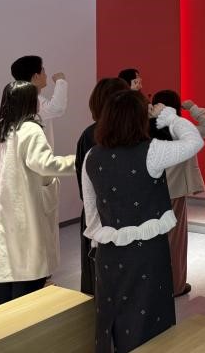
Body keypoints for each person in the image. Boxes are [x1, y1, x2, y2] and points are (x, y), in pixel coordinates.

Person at [82, 90, 203, 353]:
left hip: (108, 252)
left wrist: (98, 243)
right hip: (148, 253)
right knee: (149, 316)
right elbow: (194, 140)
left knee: (111, 316)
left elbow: (91, 210)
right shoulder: (152, 152)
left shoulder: (92, 156)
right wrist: (167, 115)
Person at [0, 81, 76, 304]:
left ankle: (6, 322)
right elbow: (45, 164)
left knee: (9, 272)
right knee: (29, 275)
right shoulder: (30, 129)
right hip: (27, 211)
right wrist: (79, 160)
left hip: (5, 212)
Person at [151, 89, 205, 298]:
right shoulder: (181, 129)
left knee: (154, 240)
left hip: (151, 192)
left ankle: (155, 284)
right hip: (175, 192)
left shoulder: (146, 128)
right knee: (175, 241)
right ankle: (176, 285)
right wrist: (192, 108)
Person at [75, 78, 129, 295]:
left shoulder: (88, 134)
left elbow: (82, 183)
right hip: (122, 216)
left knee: (99, 281)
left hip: (95, 213)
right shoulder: (132, 135)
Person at [11, 55, 67, 145]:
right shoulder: (33, 101)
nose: (46, 75)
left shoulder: (18, 100)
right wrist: (61, 81)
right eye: (43, 71)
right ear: (36, 76)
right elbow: (57, 108)